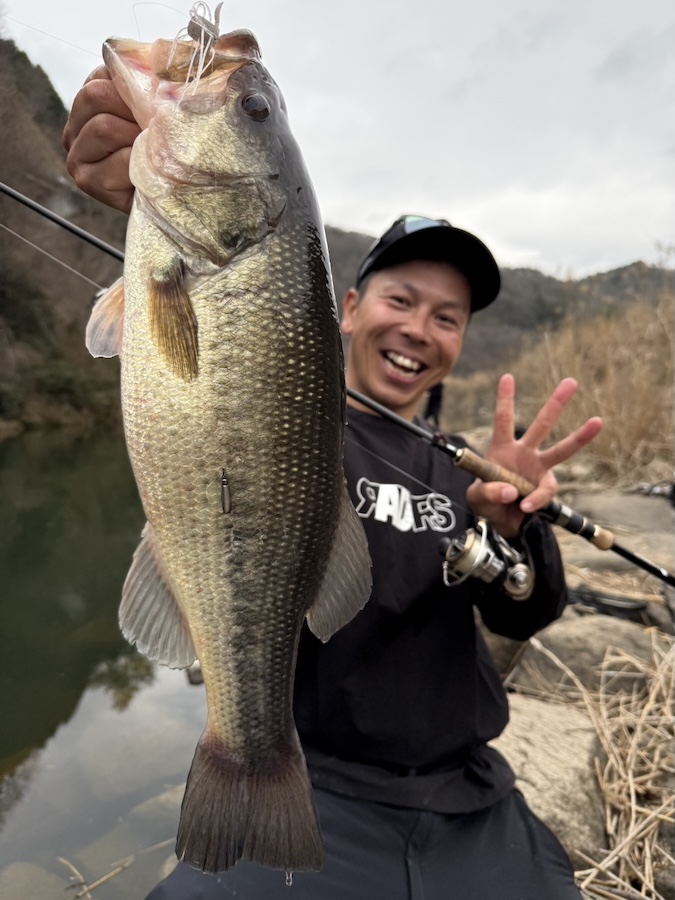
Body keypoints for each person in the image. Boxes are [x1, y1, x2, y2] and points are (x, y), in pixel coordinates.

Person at [63, 72, 603, 900]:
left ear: (460, 341)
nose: (418, 329)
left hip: (469, 798)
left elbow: (525, 613)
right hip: (315, 780)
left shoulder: (465, 467)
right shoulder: (289, 426)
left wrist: (516, 524)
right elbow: (191, 368)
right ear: (344, 308)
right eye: (401, 299)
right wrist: (139, 196)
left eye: (447, 317)